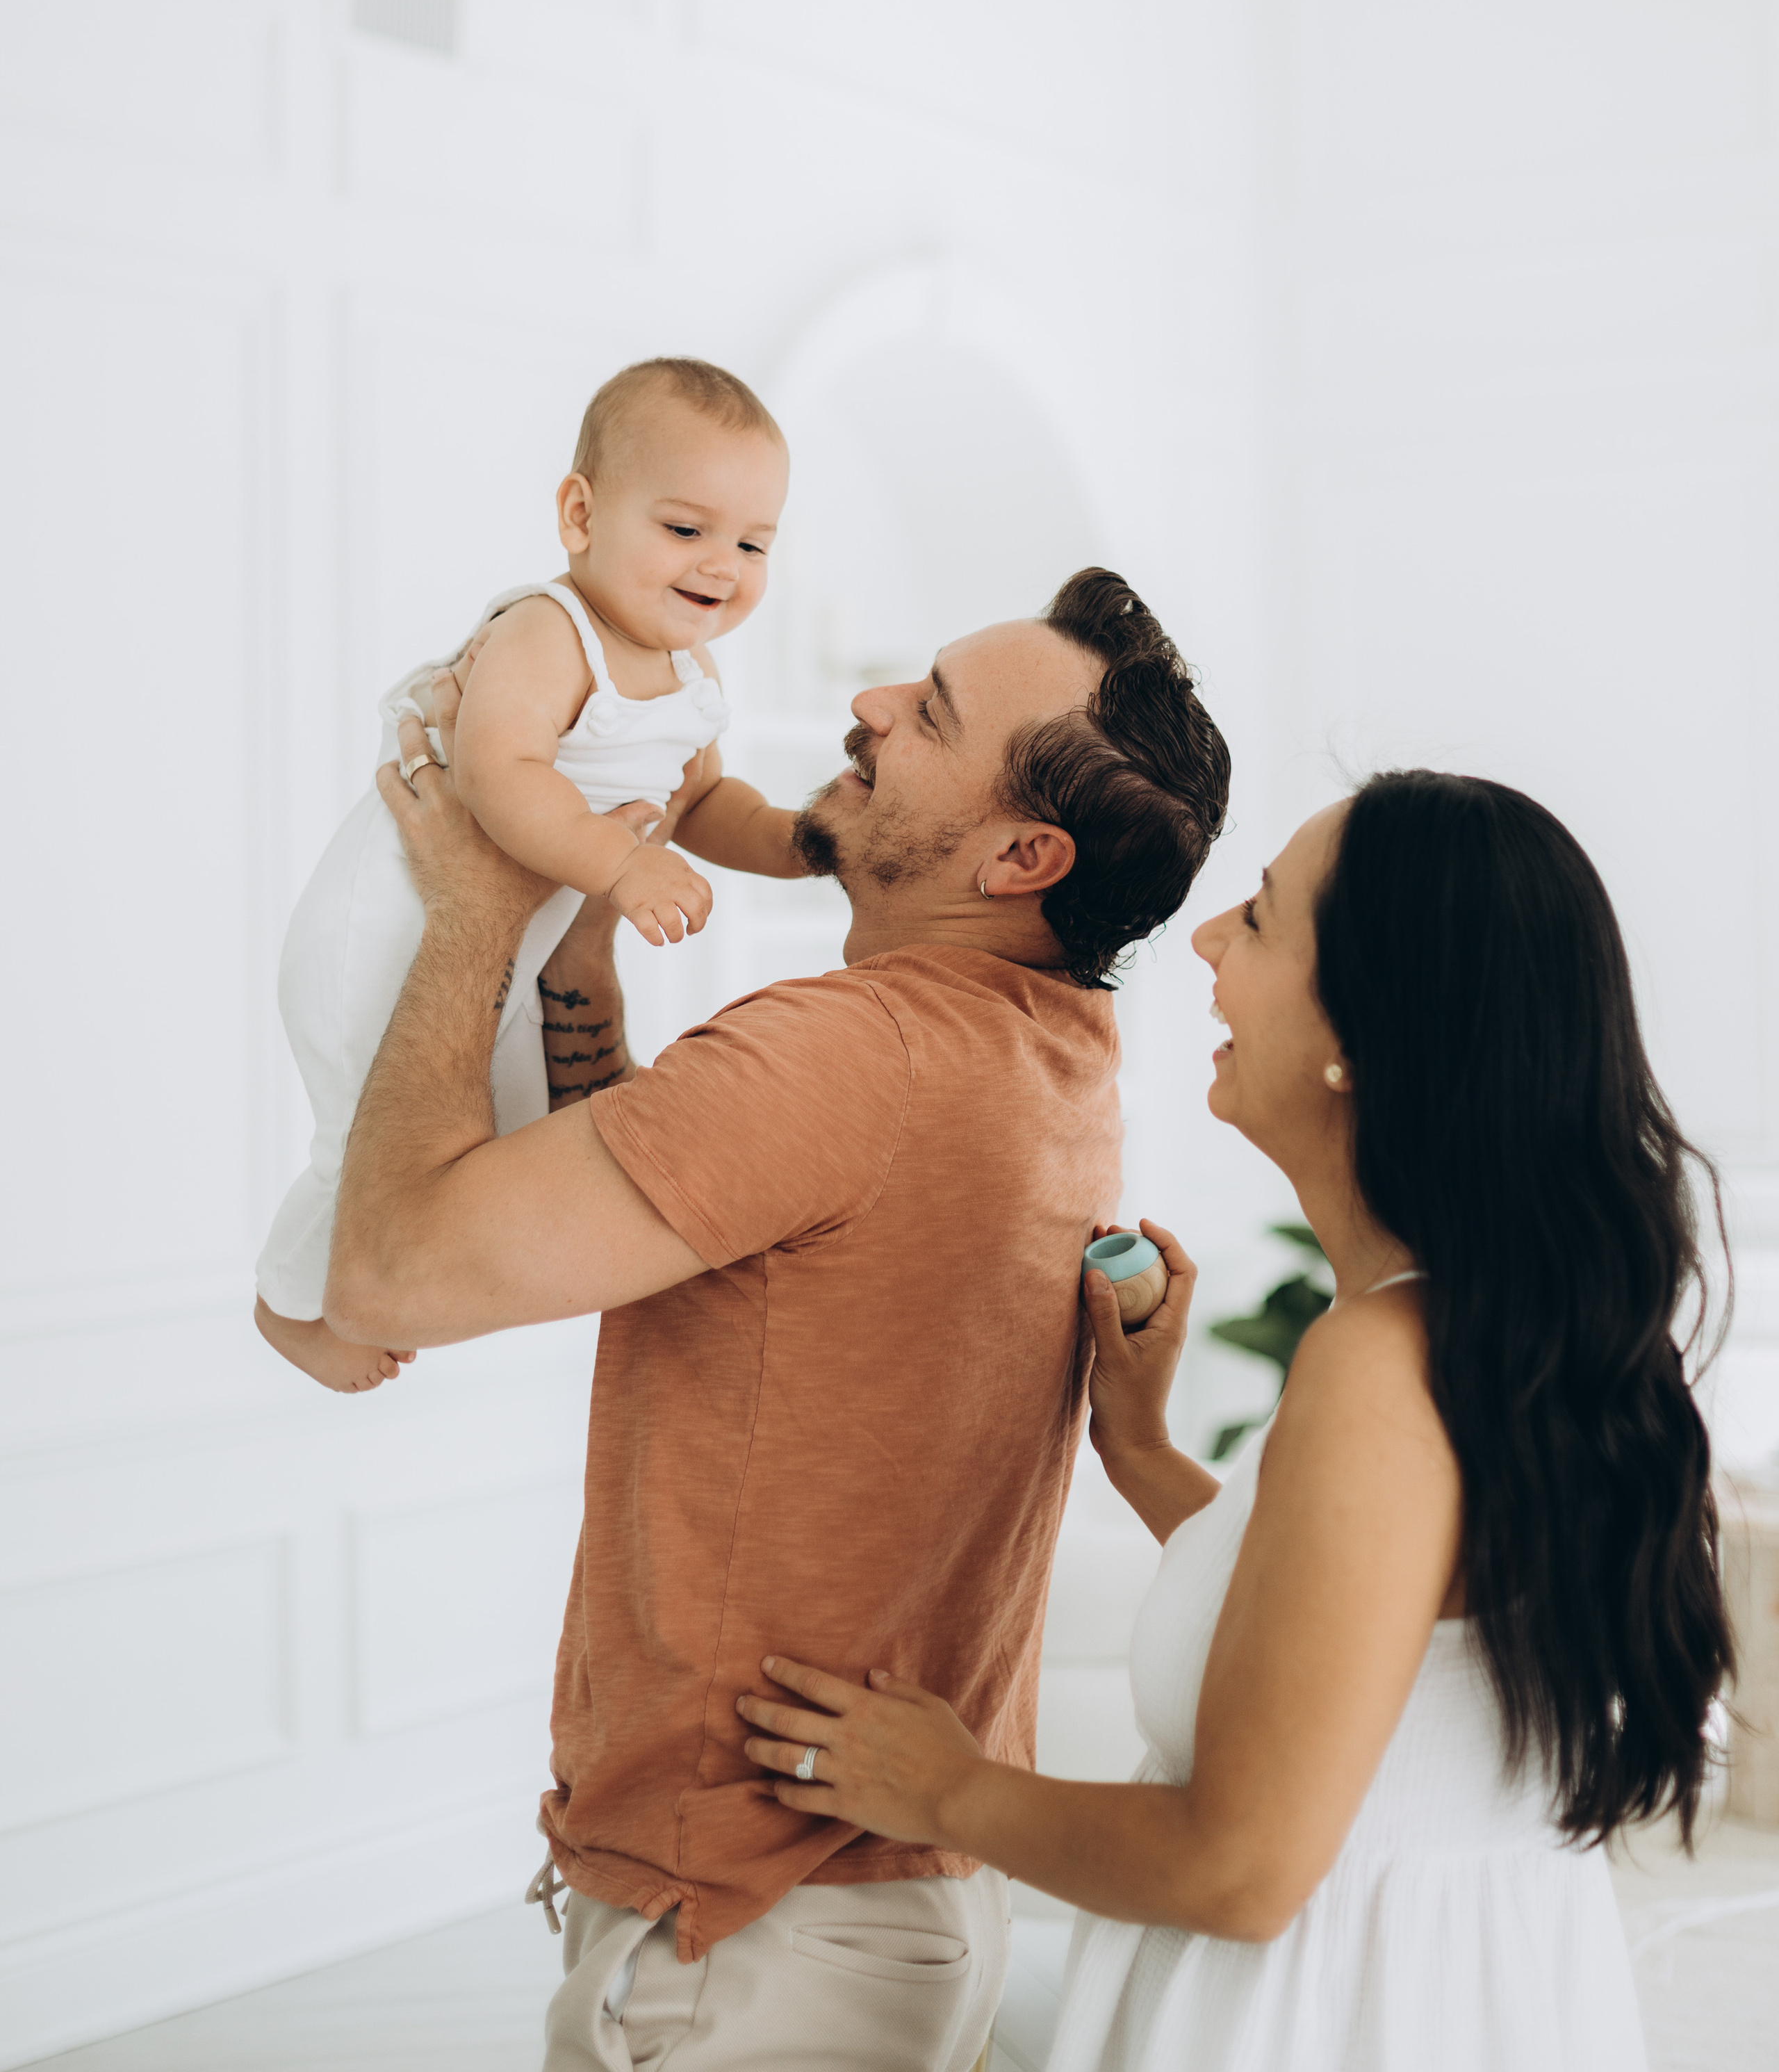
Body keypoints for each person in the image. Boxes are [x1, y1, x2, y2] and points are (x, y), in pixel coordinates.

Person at [323, 565, 1231, 2072]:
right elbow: (654, 1230)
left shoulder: (848, 1057)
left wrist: (475, 905)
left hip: (758, 1937)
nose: (870, 708)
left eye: (927, 714)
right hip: (874, 1907)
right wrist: (583, 939)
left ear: (1020, 853)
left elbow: (385, 1277)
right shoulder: (1050, 1050)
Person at [740, 772, 1734, 2072]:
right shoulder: (1493, 1332)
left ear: (1361, 1037)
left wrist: (944, 1787)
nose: (1206, 941)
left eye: (1259, 921)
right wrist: (1144, 1452)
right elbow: (1382, 1640)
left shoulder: (1383, 1364)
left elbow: (1241, 1868)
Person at [256, 355, 808, 1393]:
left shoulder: (692, 670)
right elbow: (496, 777)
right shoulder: (549, 634)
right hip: (382, 932)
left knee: (489, 1142)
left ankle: (383, 1281)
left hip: (493, 952)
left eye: (753, 543)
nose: (721, 565)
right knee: (364, 1124)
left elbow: (701, 803)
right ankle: (292, 1303)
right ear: (579, 513)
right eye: (686, 531)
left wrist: (796, 845)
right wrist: (622, 865)